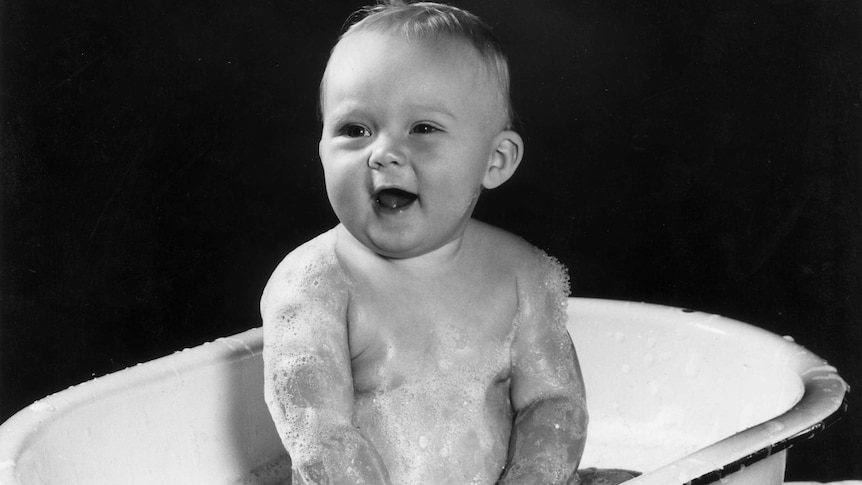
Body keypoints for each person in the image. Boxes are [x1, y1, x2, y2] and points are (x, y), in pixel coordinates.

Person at [261, 2, 636, 484]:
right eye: (355, 130)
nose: (384, 154)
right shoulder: (313, 286)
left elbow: (554, 404)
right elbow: (321, 440)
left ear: (495, 160)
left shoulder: (522, 275)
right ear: (321, 151)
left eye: (423, 129)